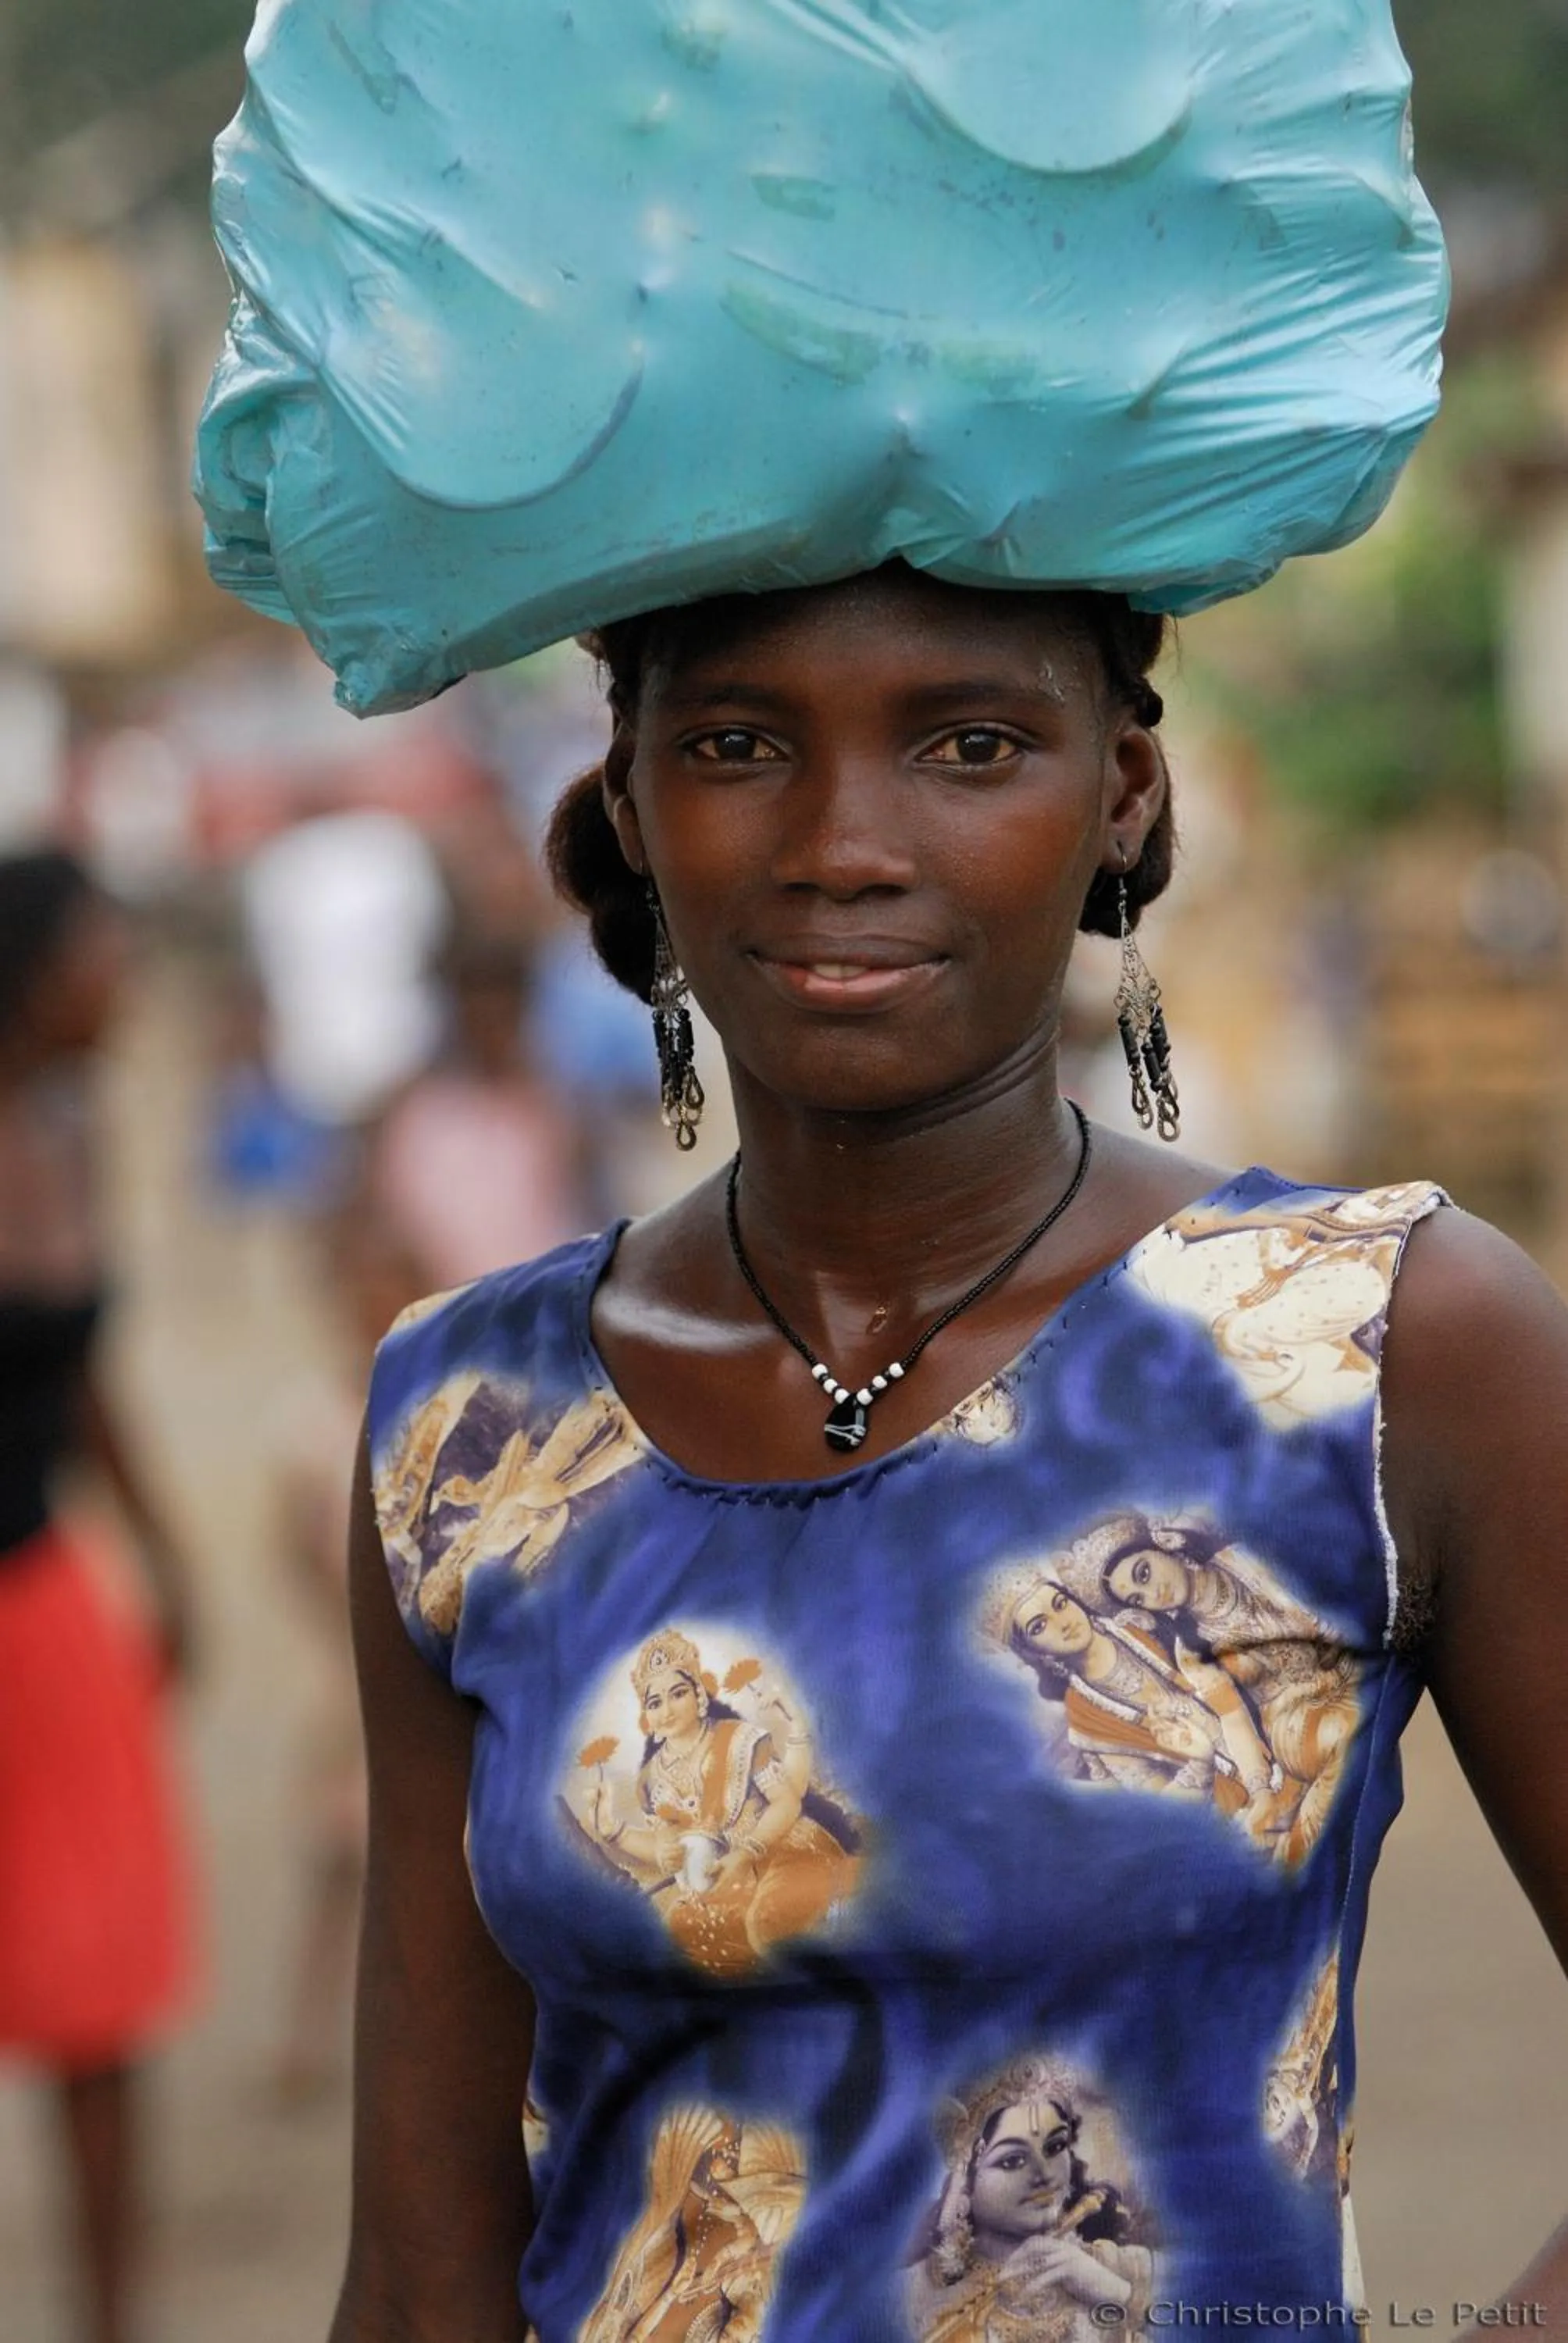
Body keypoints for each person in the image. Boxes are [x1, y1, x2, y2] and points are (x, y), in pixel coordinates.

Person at [330, 564, 1568, 2341]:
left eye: (968, 743)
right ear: (629, 799)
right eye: (739, 742)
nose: (842, 839)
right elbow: (417, 2268)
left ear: (1119, 791)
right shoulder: (469, 1424)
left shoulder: (1373, 1347)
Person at [0, 850, 199, 2343]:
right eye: (100, 947)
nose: (119, 974)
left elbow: (78, 1375)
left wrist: (158, 1546)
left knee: (95, 1986)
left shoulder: (62, 1132)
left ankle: (110, 2319)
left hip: (43, 1598)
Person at [905, 2055, 1156, 2343]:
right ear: (966, 2177)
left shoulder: (1119, 2266)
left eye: (1055, 2146)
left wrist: (1119, 2294)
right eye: (1013, 2160)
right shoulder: (915, 2293)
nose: (1045, 2174)